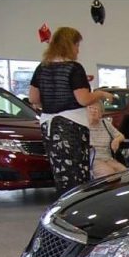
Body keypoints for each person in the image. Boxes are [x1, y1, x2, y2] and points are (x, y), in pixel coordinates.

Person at [28, 27, 112, 196]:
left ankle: (61, 205)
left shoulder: (42, 67)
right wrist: (101, 94)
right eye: (77, 45)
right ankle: (75, 208)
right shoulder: (74, 68)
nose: (78, 49)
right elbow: (83, 99)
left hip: (48, 125)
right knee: (76, 172)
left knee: (59, 171)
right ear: (69, 45)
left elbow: (33, 98)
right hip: (71, 125)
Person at [87, 101, 128, 178]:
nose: (93, 111)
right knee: (110, 174)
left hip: (108, 158)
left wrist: (116, 140)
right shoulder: (83, 125)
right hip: (93, 160)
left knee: (126, 173)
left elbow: (121, 136)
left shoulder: (105, 123)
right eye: (90, 108)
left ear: (101, 113)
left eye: (96, 109)